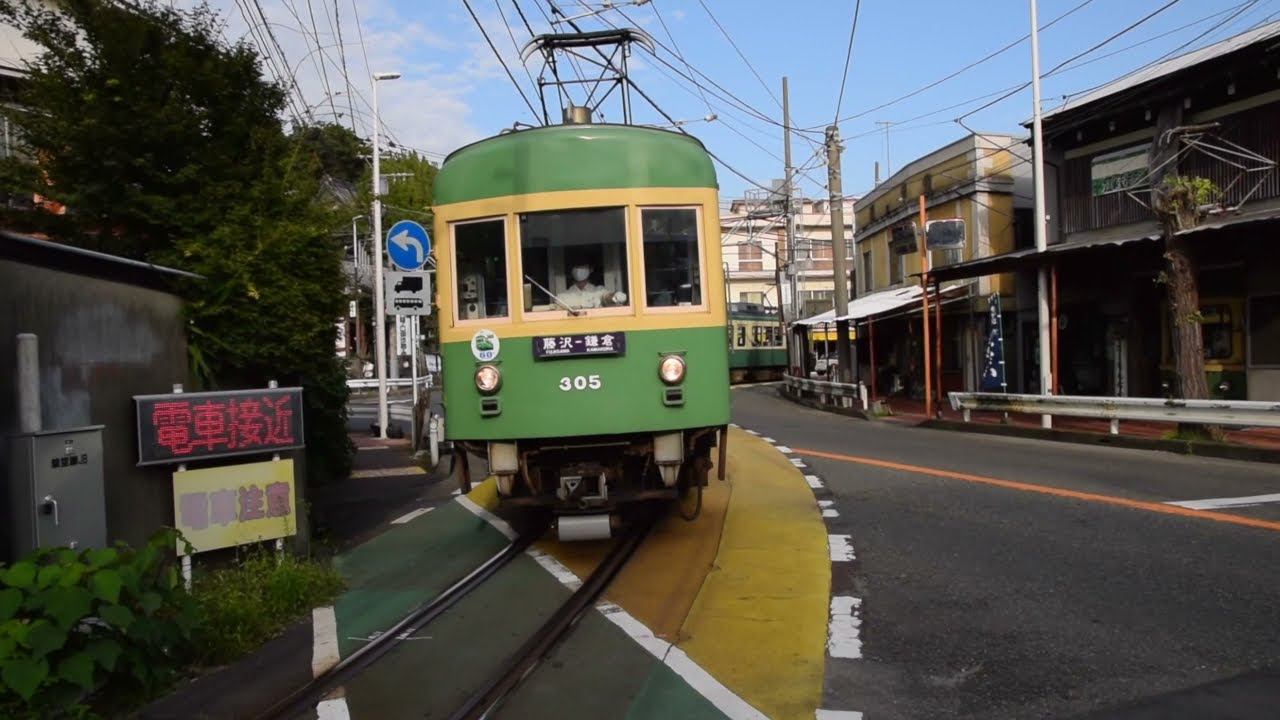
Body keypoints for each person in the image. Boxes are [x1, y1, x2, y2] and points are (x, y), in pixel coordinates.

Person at [560, 262, 627, 309]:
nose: (579, 270)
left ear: (590, 270)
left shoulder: (599, 291)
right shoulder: (563, 296)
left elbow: (606, 297)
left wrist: (615, 297)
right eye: (577, 267)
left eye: (583, 266)